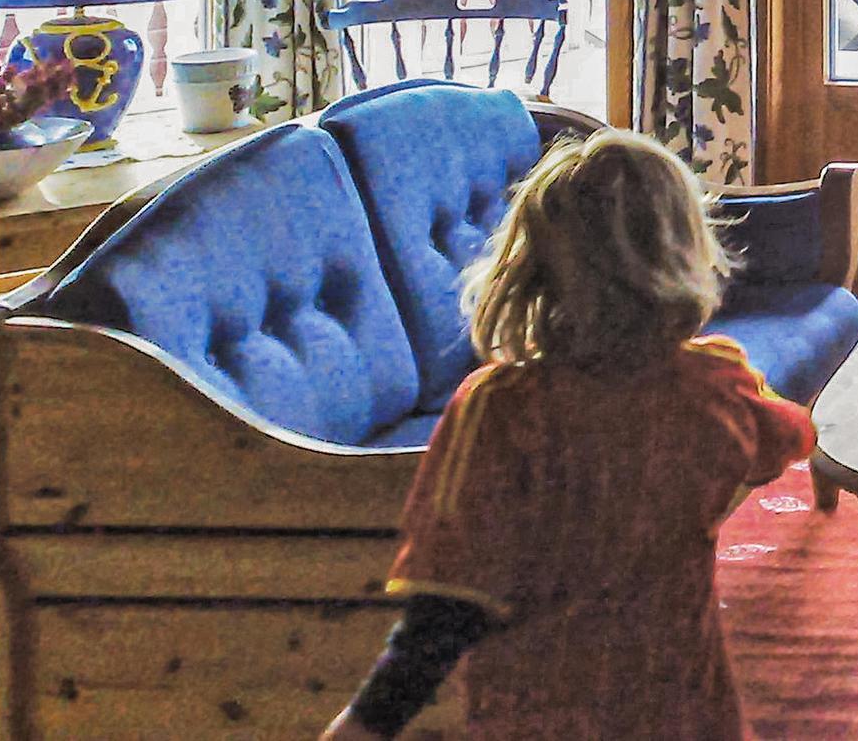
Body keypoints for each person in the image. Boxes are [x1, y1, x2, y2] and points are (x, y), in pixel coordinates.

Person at [321, 129, 814, 740]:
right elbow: (789, 435)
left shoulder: (500, 409)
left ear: (531, 265)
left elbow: (448, 607)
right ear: (685, 252)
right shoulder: (717, 384)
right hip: (683, 705)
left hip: (535, 714)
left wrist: (365, 723)